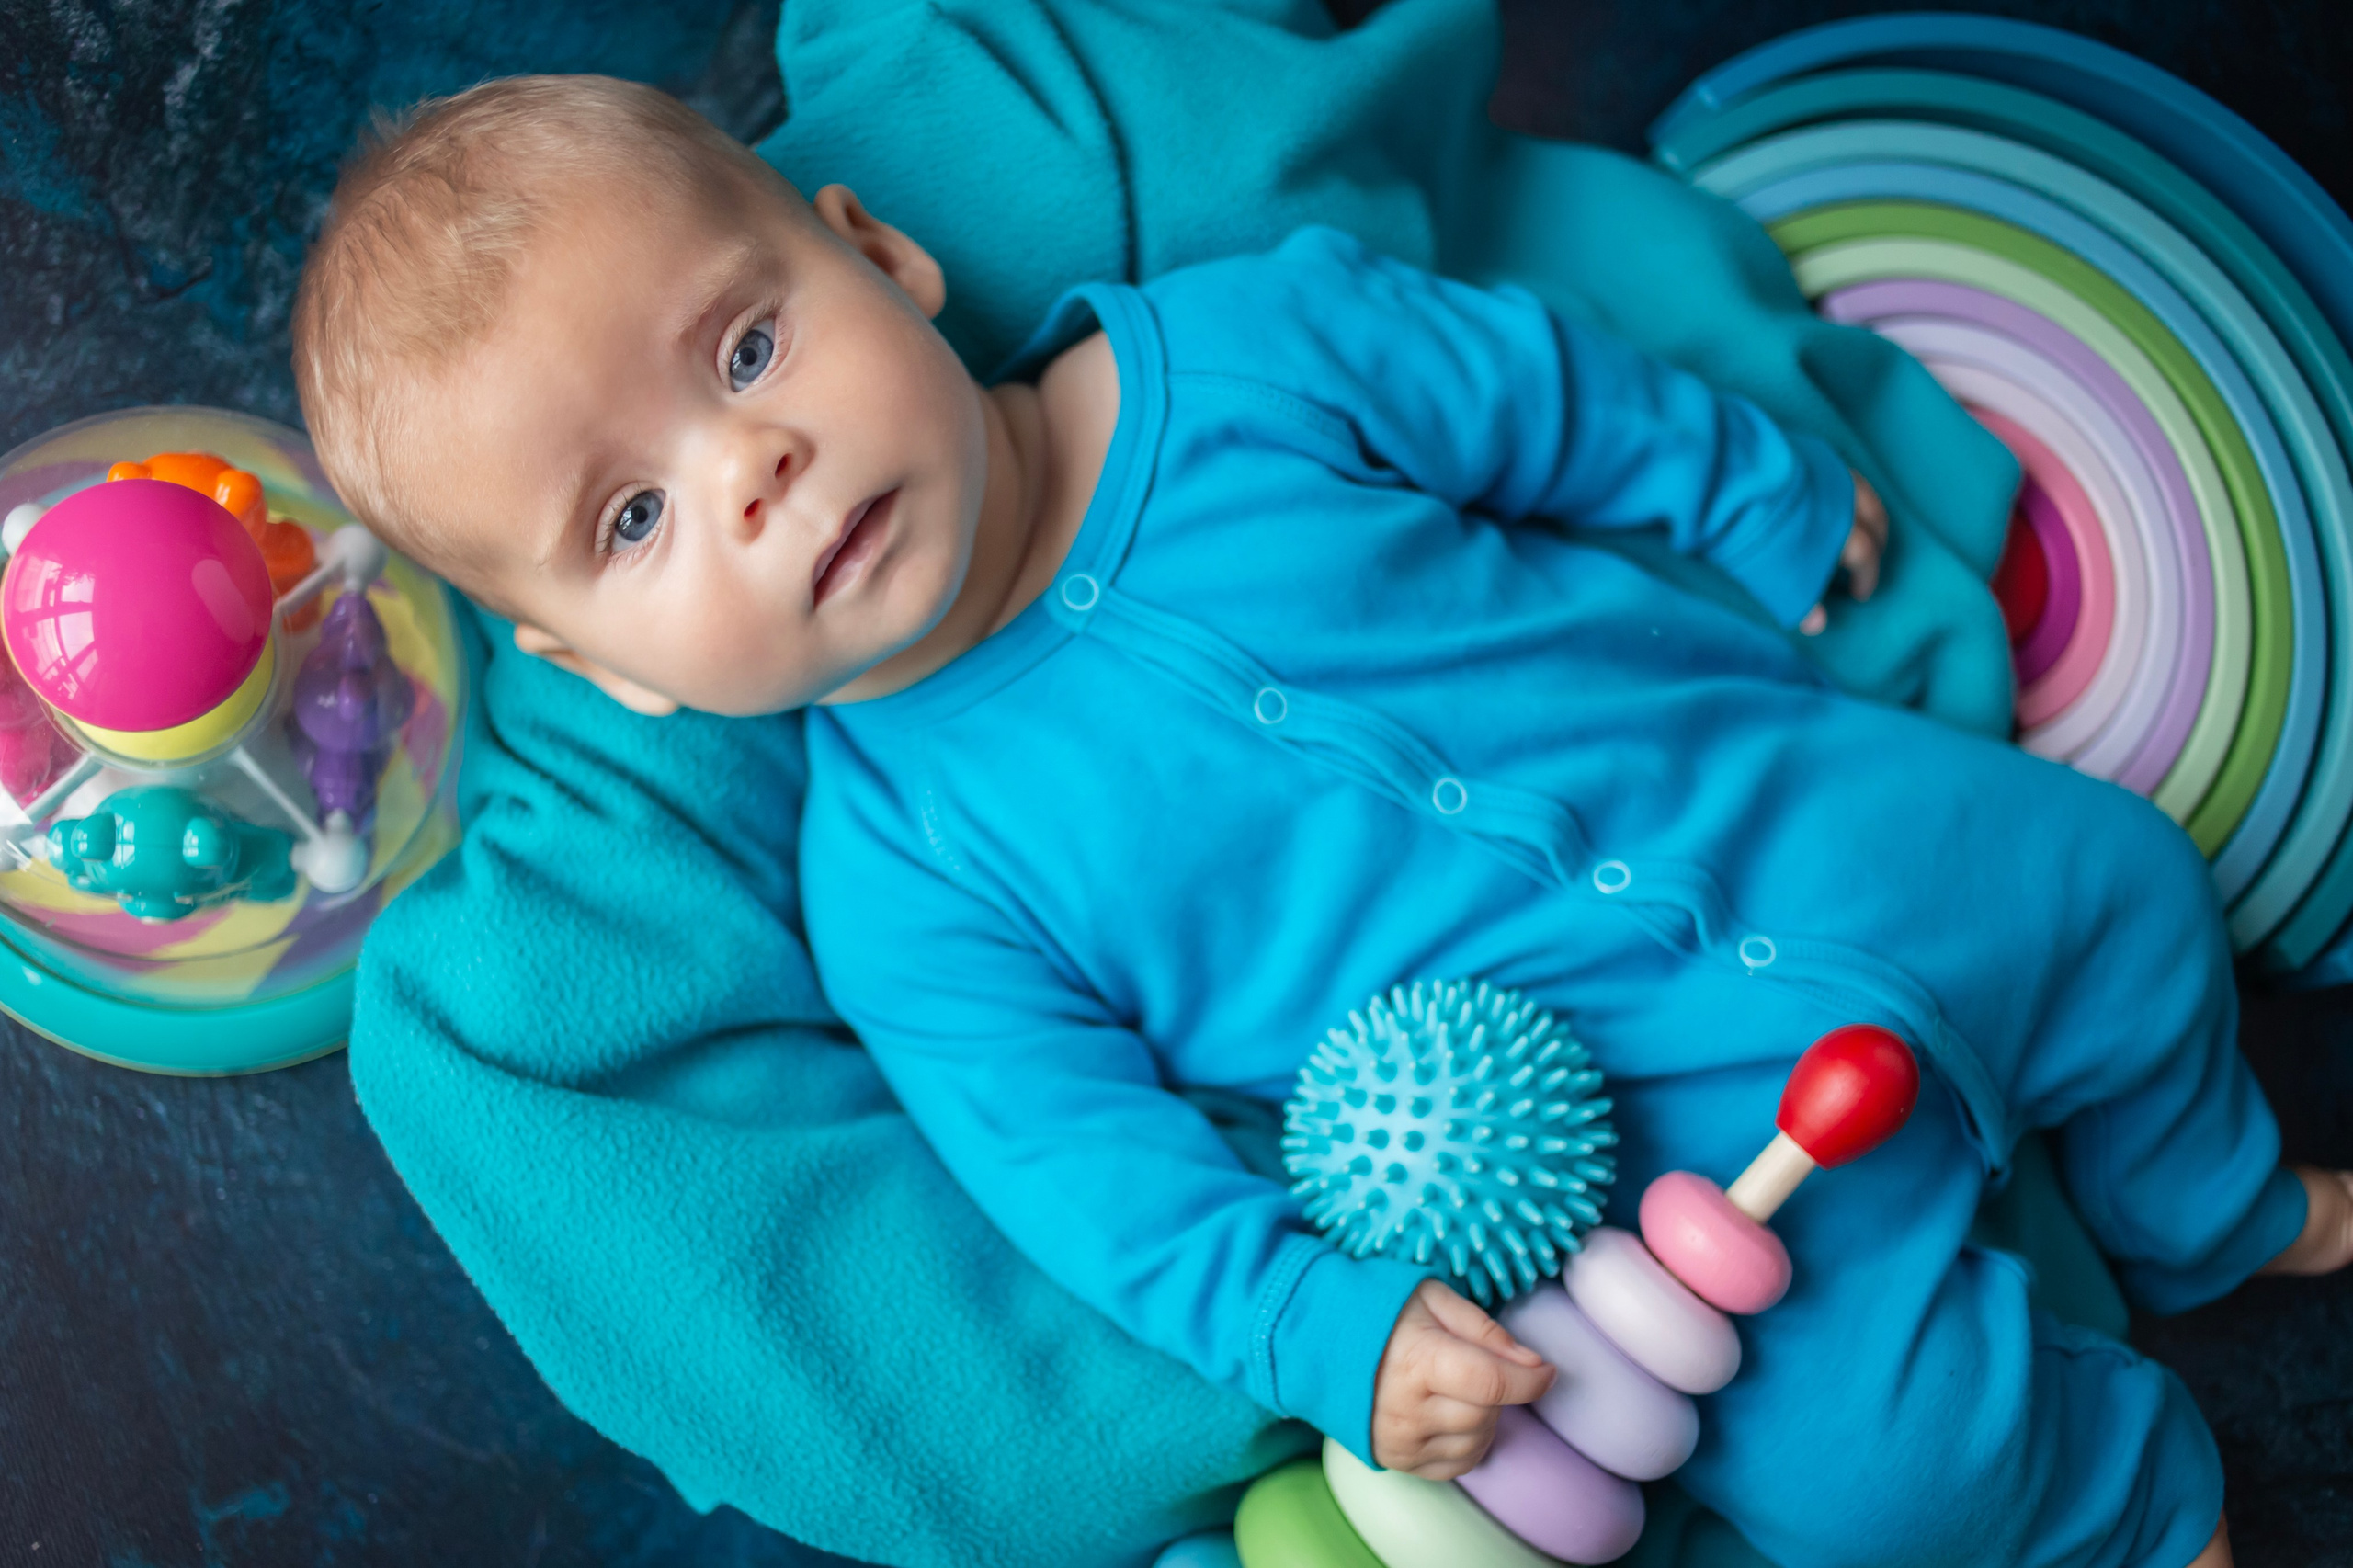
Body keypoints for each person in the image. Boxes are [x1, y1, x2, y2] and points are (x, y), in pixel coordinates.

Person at [293, 74, 2350, 1568]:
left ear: (878, 254)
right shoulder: (907, 881)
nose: (748, 466)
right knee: (1885, 1480)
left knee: (2129, 903)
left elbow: (1534, 393)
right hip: (1676, 1164)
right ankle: (2130, 1501)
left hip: (1846, 826)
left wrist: (1758, 490)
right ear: (616, 678)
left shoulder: (1252, 348)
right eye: (631, 520)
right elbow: (1081, 1185)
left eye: (747, 346)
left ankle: (2208, 1201)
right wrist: (1327, 1327)